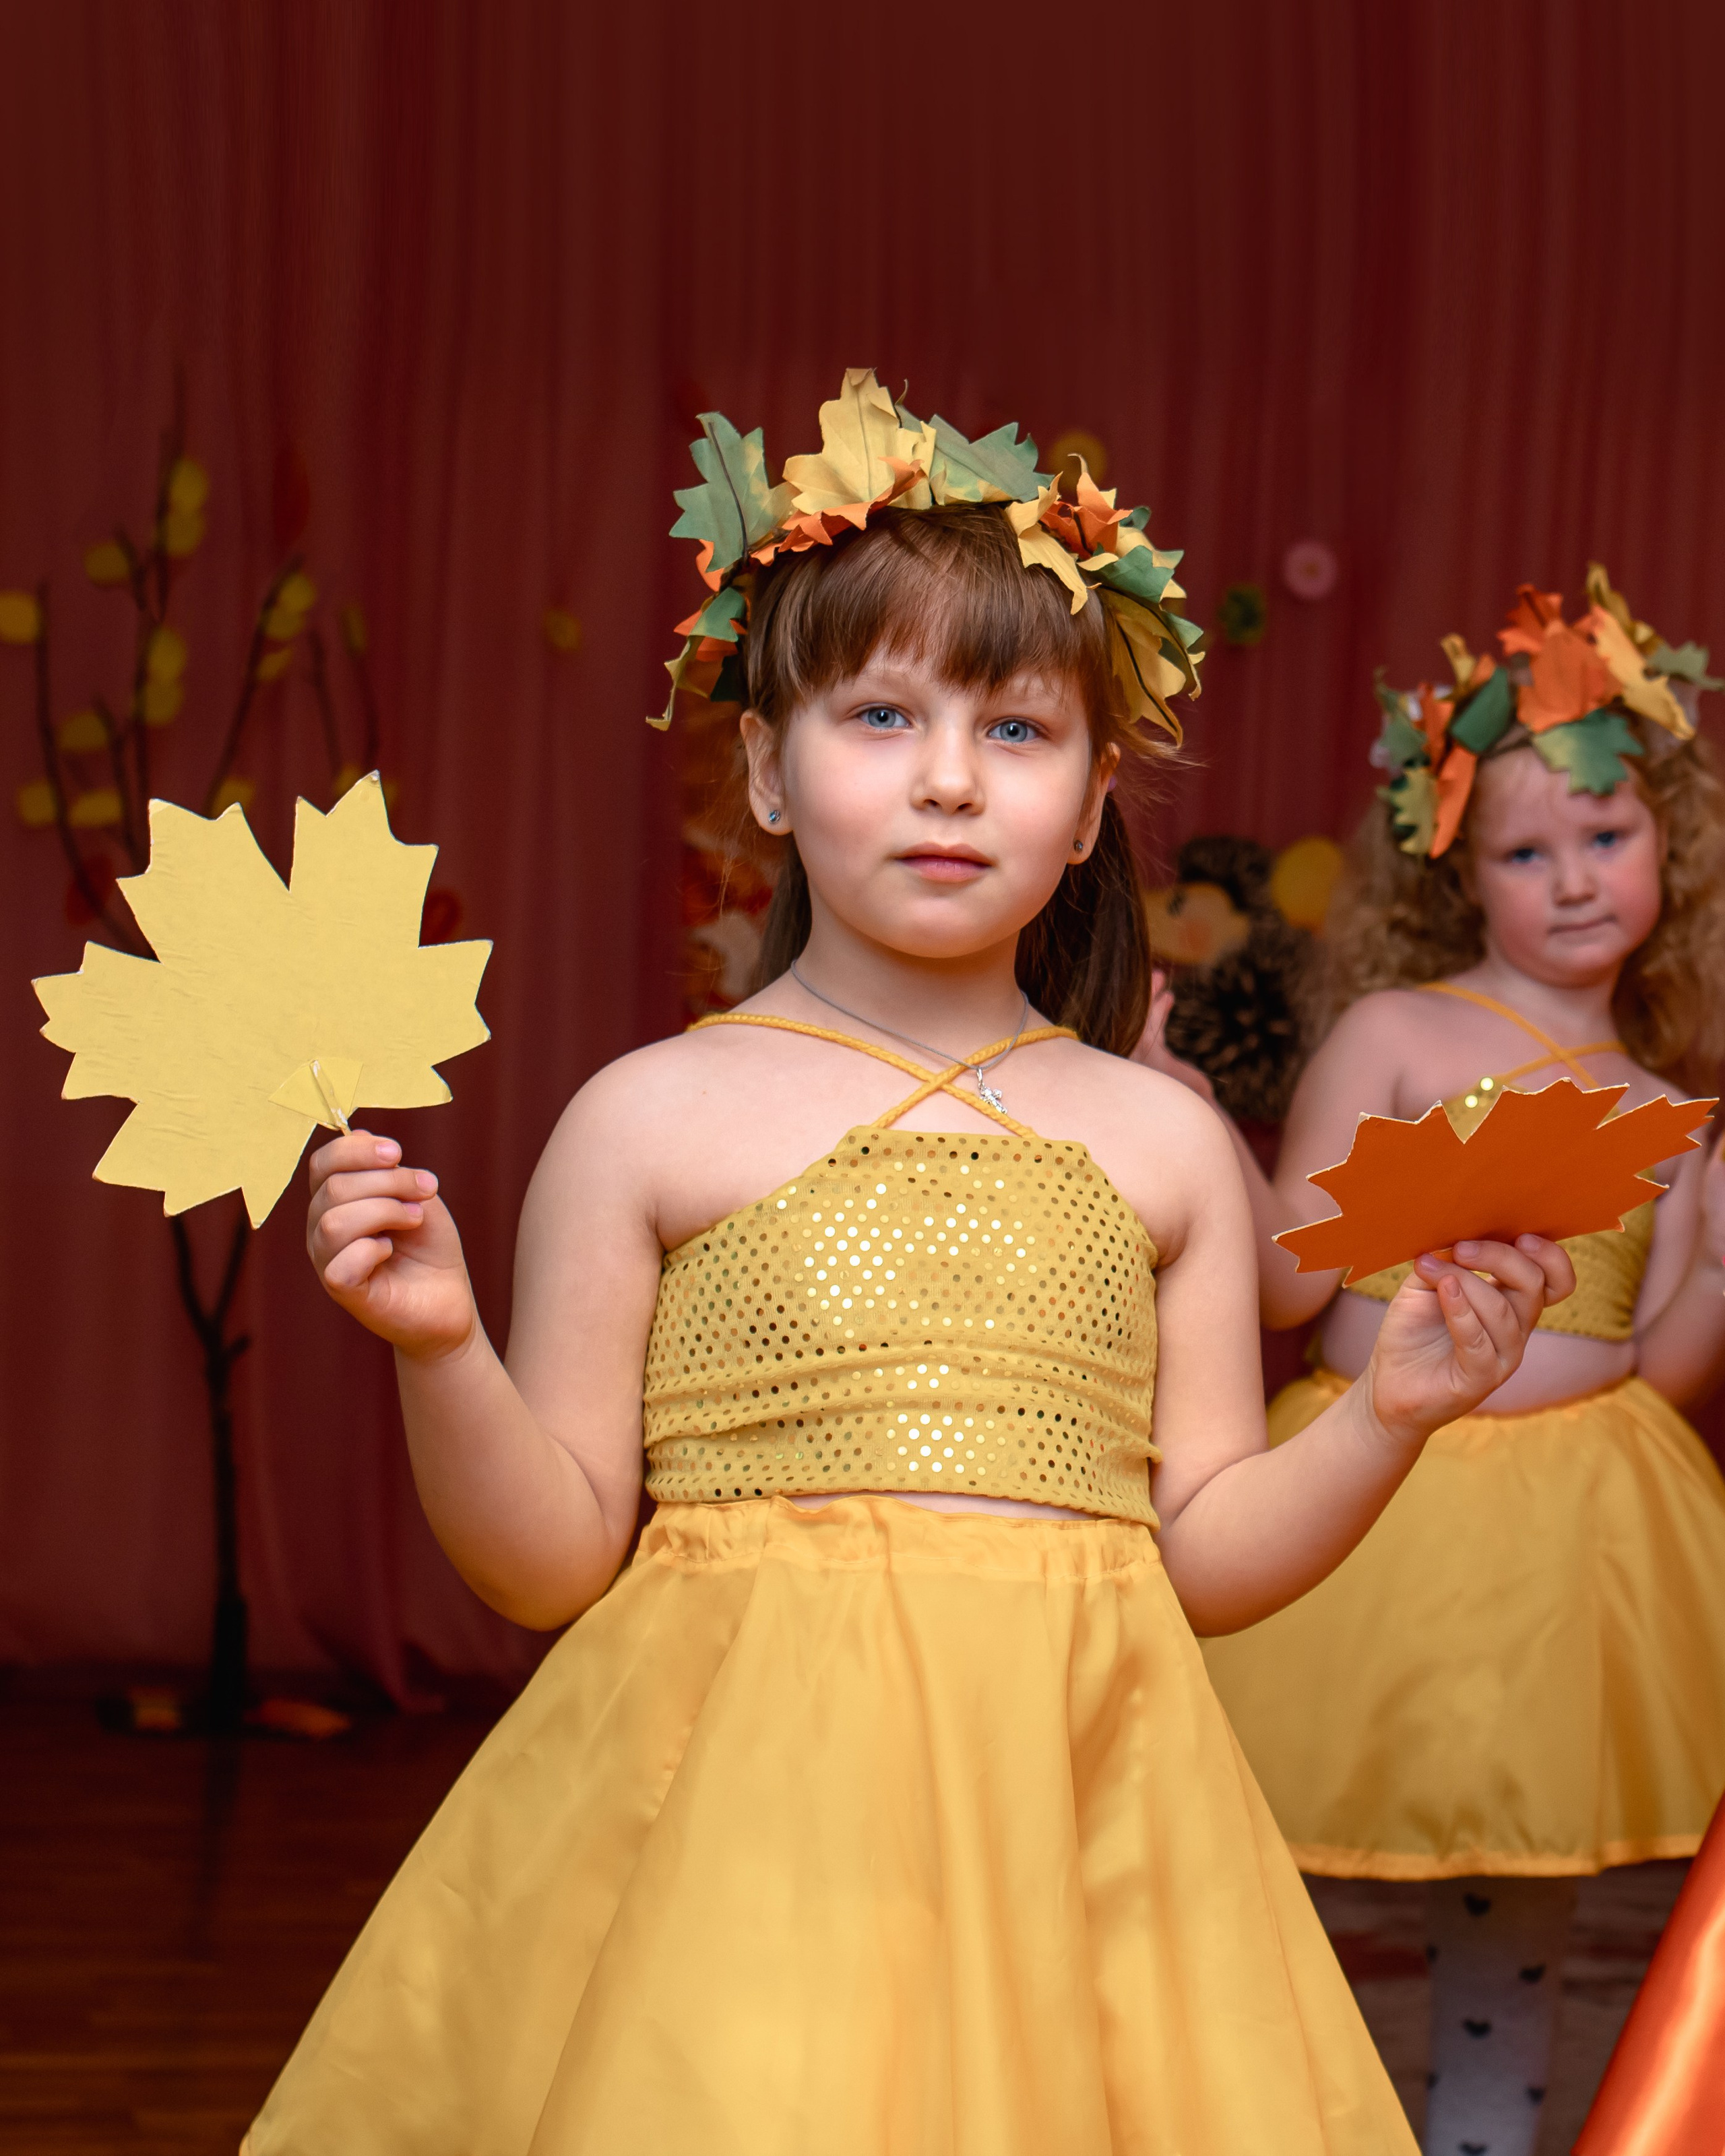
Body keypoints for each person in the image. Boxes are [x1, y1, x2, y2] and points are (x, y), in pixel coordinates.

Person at [243, 377, 1575, 2155]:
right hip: (743, 1841)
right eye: (881, 714)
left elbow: (1207, 1554)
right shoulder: (648, 1118)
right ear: (769, 775)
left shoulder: (1160, 1141)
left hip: (1075, 1818)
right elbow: (551, 1560)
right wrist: (437, 1346)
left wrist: (1388, 1416)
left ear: (1094, 808)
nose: (950, 776)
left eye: (1017, 733)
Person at [1146, 574, 1725, 2156]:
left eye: (1602, 837)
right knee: (1282, 1872)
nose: (1572, 879)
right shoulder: (1399, 1035)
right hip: (1368, 1514)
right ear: (1459, 876)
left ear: (1667, 843)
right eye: (1522, 854)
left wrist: (1720, 1241)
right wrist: (1173, 1107)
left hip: (1559, 1558)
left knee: (1503, 1902)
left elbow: (1642, 1362)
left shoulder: (1662, 1095)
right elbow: (1276, 1270)